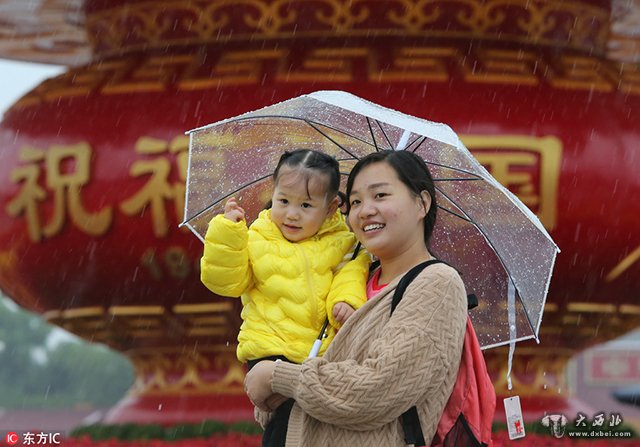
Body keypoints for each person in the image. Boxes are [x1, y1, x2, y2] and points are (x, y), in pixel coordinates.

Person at [245, 150, 474, 446]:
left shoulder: (436, 284)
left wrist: (280, 377)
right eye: (355, 201)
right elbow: (291, 385)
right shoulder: (346, 278)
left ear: (422, 203)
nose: (365, 210)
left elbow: (379, 389)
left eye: (380, 196)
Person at [201, 149, 370, 445]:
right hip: (270, 348)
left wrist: (345, 301)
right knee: (288, 419)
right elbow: (225, 282)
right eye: (284, 201)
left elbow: (351, 275)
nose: (292, 214)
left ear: (331, 208)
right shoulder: (257, 236)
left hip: (321, 352)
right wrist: (228, 234)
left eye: (306, 205)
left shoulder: (345, 242)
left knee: (314, 426)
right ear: (274, 192)